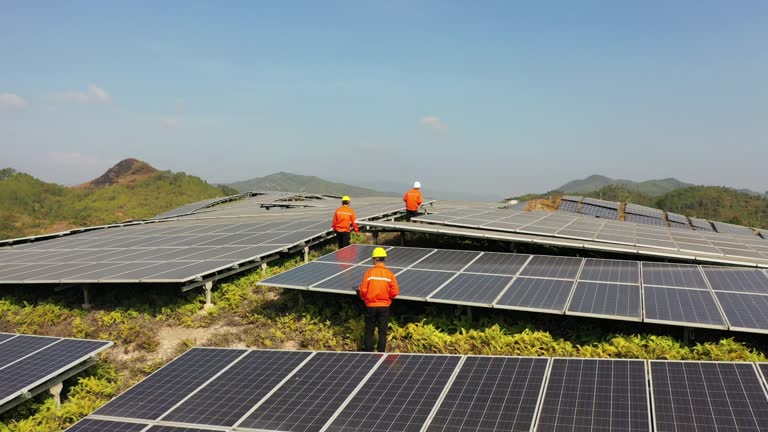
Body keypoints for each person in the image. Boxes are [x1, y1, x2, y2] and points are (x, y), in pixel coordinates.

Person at [358, 247, 399, 352]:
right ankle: (381, 353)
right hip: (384, 306)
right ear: (383, 259)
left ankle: (367, 352)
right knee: (382, 331)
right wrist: (387, 297)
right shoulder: (390, 274)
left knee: (369, 330)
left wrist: (365, 298)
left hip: (370, 306)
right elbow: (395, 291)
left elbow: (362, 290)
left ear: (375, 259)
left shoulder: (369, 273)